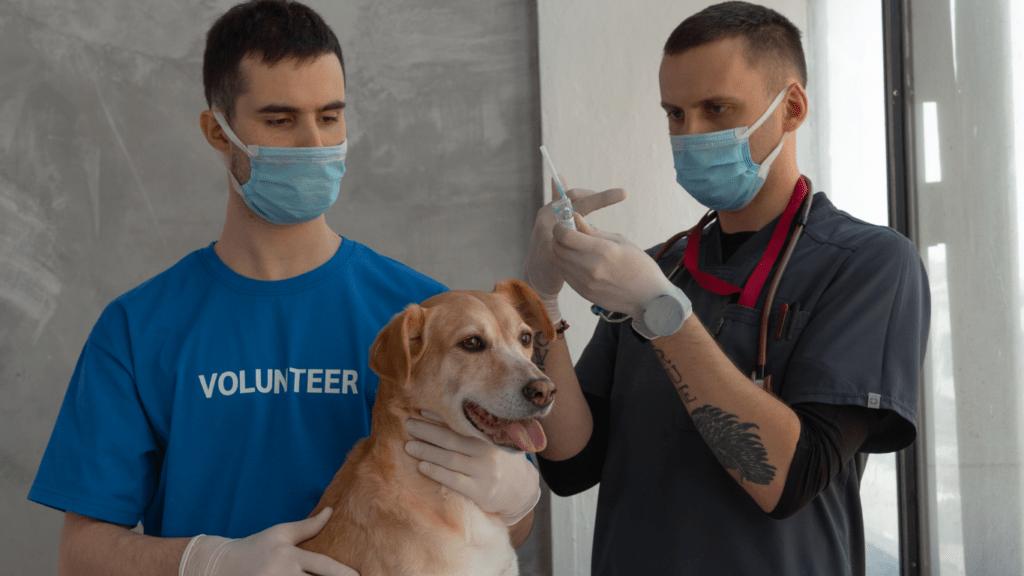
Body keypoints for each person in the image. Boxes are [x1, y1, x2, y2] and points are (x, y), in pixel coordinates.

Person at [27, 1, 540, 574]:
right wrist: (210, 562)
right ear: (217, 133)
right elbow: (80, 553)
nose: (313, 143)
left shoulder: (430, 322)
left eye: (329, 116)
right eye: (279, 120)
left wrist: (515, 495)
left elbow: (496, 530)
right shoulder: (137, 329)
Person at [522, 2, 930, 574]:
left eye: (717, 109)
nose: (690, 134)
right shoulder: (662, 265)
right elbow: (570, 464)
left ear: (790, 108)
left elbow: (788, 480)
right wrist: (540, 304)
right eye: (674, 113)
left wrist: (660, 310)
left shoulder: (870, 264)